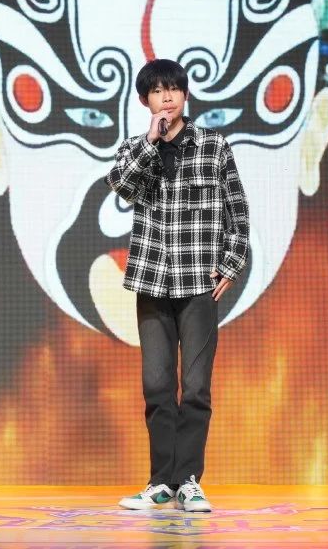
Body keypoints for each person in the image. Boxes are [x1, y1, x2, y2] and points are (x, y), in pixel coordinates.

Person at [106, 58, 250, 512]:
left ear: (185, 95)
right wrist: (150, 143)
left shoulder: (214, 146)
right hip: (152, 280)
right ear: (144, 100)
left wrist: (231, 264)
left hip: (198, 283)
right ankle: (161, 482)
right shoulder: (134, 149)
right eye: (157, 91)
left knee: (196, 385)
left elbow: (238, 211)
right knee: (156, 385)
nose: (166, 97)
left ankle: (188, 480)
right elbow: (122, 188)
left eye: (173, 89)